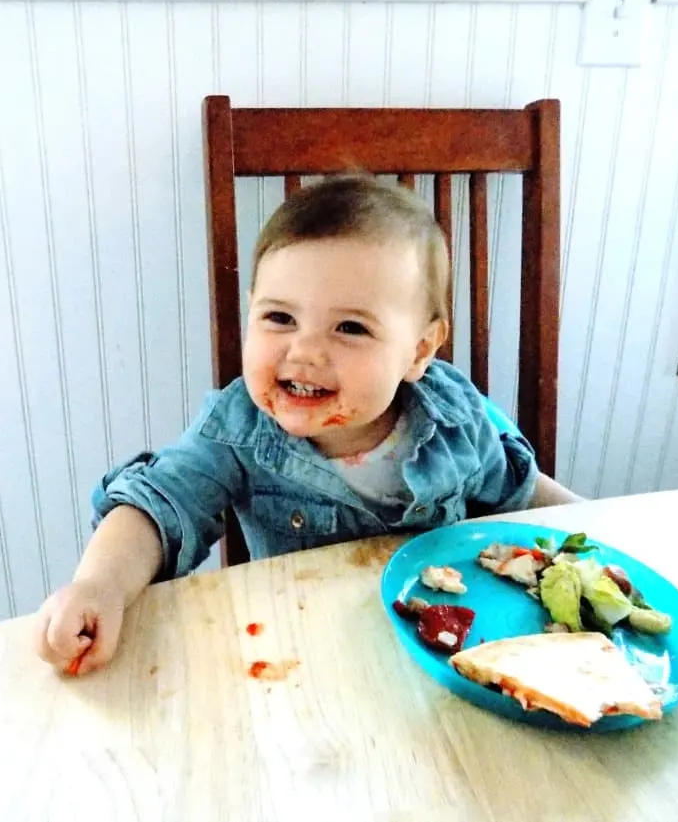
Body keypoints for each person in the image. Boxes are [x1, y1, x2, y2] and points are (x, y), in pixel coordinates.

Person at [33, 174, 582, 676]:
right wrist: (99, 584)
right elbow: (156, 507)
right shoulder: (237, 430)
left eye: (349, 327)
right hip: (299, 660)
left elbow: (522, 492)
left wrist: (601, 528)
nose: (305, 351)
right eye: (279, 318)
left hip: (442, 657)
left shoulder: (456, 422)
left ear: (418, 351)